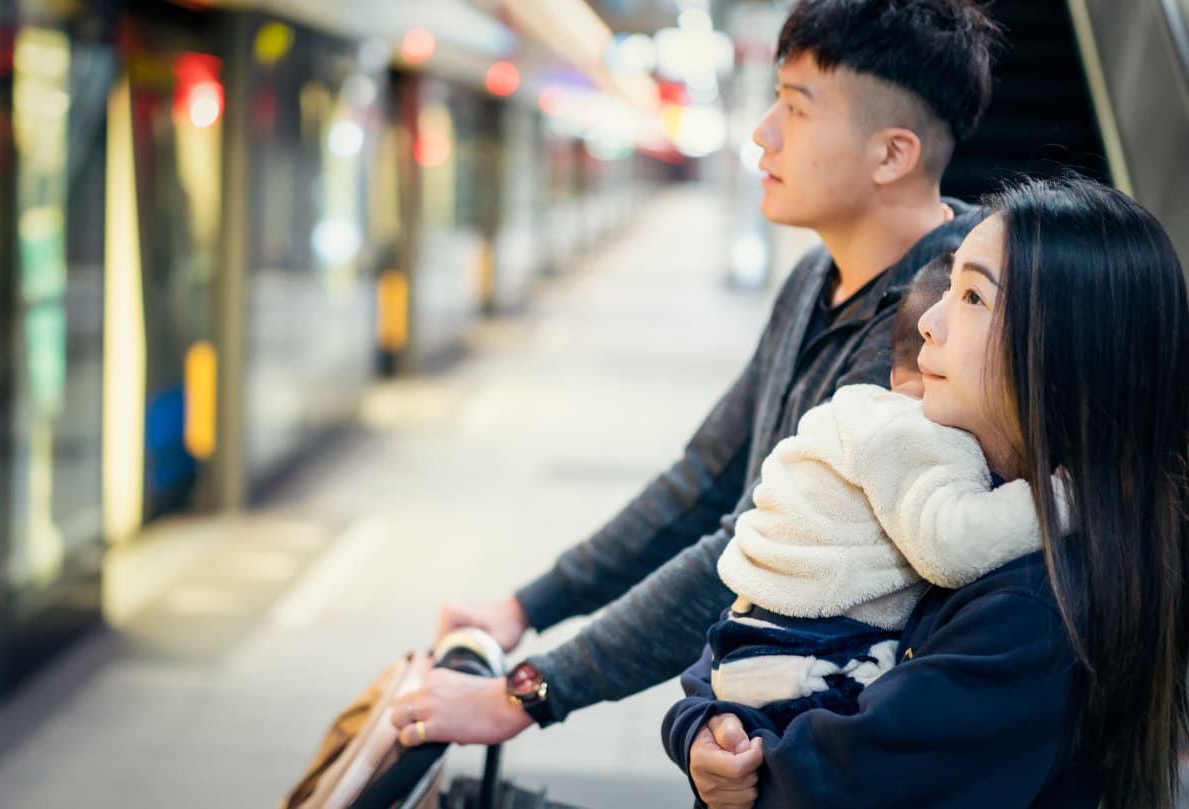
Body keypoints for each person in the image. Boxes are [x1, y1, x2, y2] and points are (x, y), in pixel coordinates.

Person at [390, 0, 1000, 749]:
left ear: (891, 154)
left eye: (796, 109)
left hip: (844, 747)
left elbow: (750, 551)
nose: (762, 133)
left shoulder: (937, 330)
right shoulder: (815, 277)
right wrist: (526, 605)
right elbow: (701, 479)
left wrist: (529, 692)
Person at [682, 176, 1189, 808]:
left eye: (974, 296)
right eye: (948, 289)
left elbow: (821, 788)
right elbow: (761, 610)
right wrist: (702, 722)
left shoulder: (1032, 609)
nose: (928, 321)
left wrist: (731, 753)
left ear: (1067, 349)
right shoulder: (952, 494)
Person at [663, 254, 1059, 751]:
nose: (937, 325)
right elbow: (953, 542)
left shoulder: (849, 413)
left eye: (973, 298)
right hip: (817, 663)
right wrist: (1061, 499)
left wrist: (694, 720)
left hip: (742, 648)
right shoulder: (923, 432)